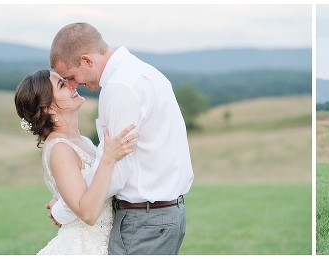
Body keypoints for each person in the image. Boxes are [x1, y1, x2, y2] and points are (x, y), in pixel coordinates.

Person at [46, 22, 195, 254]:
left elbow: (115, 169)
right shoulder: (144, 72)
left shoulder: (119, 88)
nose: (75, 85)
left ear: (87, 60)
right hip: (161, 216)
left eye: (71, 76)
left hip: (143, 223)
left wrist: (64, 209)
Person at [14, 69, 138, 254]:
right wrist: (108, 158)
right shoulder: (60, 148)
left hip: (107, 242)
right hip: (84, 248)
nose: (72, 84)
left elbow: (89, 188)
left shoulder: (83, 142)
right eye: (62, 85)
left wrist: (62, 204)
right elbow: (88, 214)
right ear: (48, 107)